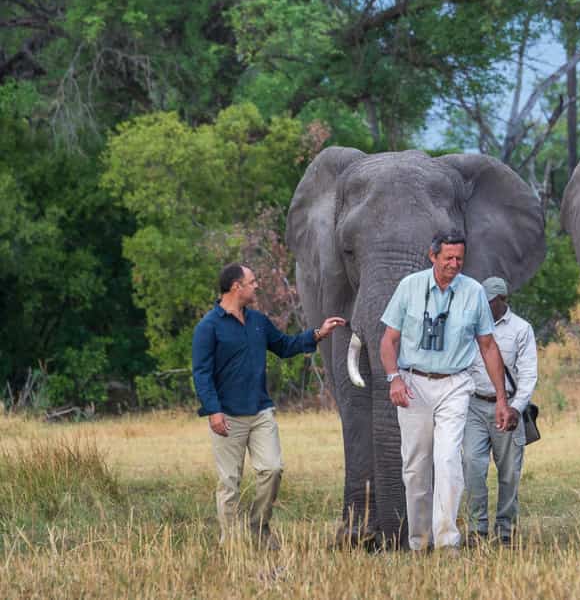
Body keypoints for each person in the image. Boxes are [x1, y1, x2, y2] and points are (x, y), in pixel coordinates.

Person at [192, 263, 346, 550]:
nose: (257, 286)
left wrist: (318, 333)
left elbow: (285, 346)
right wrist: (213, 410)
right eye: (252, 281)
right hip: (226, 415)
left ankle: (258, 529)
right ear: (236, 287)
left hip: (260, 411)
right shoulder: (208, 327)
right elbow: (201, 373)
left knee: (272, 469)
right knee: (229, 482)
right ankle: (232, 544)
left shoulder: (258, 321)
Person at [379, 232, 512, 555]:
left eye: (459, 259)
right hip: (414, 382)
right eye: (448, 258)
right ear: (433, 256)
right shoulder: (409, 287)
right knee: (416, 465)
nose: (454, 265)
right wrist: (394, 378)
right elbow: (389, 340)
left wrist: (501, 398)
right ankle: (419, 541)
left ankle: (447, 541)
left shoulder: (474, 292)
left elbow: (488, 346)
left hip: (455, 383)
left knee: (449, 458)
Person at [462, 277, 538, 545]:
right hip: (473, 405)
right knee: (471, 465)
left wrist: (516, 407)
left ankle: (506, 532)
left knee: (509, 473)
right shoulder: (470, 327)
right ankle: (476, 530)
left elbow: (529, 375)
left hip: (507, 408)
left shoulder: (521, 329)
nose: (482, 306)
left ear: (501, 301)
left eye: (488, 301)